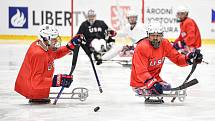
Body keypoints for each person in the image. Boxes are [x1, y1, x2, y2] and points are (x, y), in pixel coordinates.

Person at [14, 24, 83, 104]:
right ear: (46, 39)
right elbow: (36, 82)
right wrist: (57, 81)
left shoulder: (43, 45)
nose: (56, 41)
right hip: (34, 92)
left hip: (38, 90)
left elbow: (55, 53)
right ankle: (37, 97)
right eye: (54, 39)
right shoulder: (38, 54)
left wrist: (69, 46)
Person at [130, 22, 203, 96]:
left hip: (155, 79)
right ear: (148, 35)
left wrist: (189, 58)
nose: (155, 38)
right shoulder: (142, 47)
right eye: (153, 35)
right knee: (157, 89)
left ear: (162, 35)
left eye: (158, 36)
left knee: (167, 87)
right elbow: (141, 71)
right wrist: (152, 83)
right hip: (139, 82)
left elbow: (177, 58)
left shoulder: (165, 44)